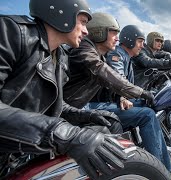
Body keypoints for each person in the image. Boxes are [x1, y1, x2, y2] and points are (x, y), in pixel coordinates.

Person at [0, 1, 128, 179]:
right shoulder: (10, 32)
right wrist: (66, 135)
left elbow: (55, 105)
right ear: (61, 14)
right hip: (8, 154)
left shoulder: (59, 57)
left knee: (103, 132)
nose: (86, 30)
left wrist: (86, 116)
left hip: (17, 154)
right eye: (83, 22)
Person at [105, 25, 171, 172]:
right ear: (129, 40)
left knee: (154, 103)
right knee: (147, 114)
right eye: (140, 41)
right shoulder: (117, 54)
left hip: (117, 99)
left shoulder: (127, 56)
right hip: (108, 103)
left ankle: (165, 160)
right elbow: (119, 79)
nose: (142, 45)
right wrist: (133, 94)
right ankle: (159, 170)